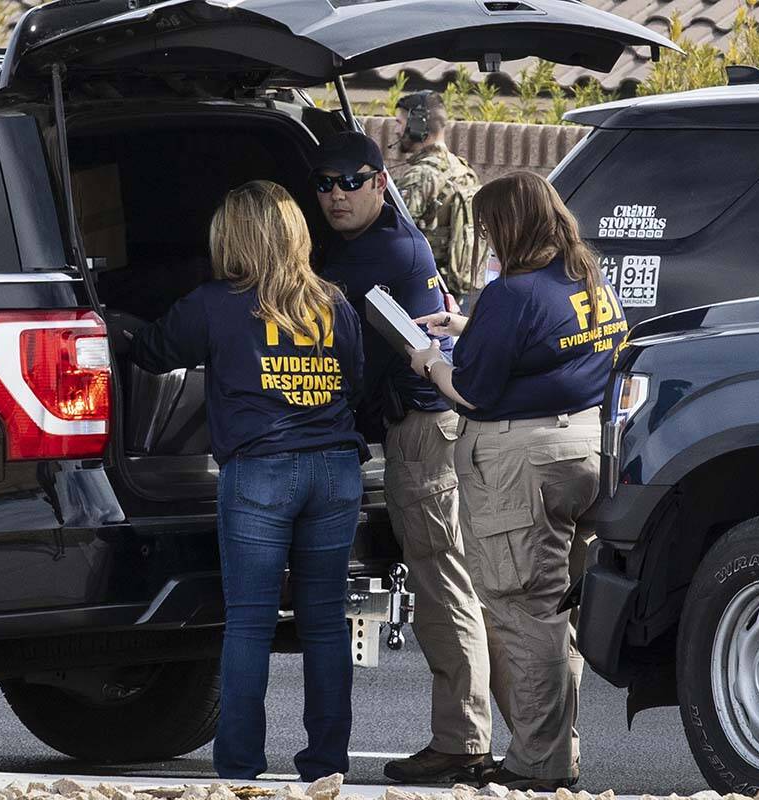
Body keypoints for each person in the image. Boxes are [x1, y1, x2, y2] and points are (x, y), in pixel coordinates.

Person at [128, 180, 366, 781]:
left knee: (251, 622)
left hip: (261, 472)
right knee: (324, 622)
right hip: (336, 471)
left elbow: (154, 351)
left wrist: (116, 322)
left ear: (232, 238)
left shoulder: (214, 302)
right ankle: (326, 765)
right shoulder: (336, 303)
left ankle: (239, 766)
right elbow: (355, 382)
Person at [406, 170, 628, 791]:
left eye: (488, 228)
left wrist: (430, 363)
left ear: (509, 227)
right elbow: (554, 348)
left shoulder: (512, 291)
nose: (485, 240)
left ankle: (537, 763)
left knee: (522, 612)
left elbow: (471, 392)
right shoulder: (587, 274)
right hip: (589, 450)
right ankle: (560, 755)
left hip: (521, 461)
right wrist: (470, 332)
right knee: (559, 612)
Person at [312, 131, 495, 784]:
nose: (336, 194)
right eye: (324, 184)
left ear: (381, 182)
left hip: (423, 431)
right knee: (446, 582)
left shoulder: (386, 250)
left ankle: (463, 742)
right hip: (417, 429)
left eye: (350, 181)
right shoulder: (376, 238)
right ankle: (471, 737)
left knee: (442, 587)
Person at [391, 90, 483, 307]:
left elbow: (393, 237)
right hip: (456, 293)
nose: (396, 130)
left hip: (422, 290)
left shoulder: (421, 176)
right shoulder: (463, 169)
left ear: (417, 126)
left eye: (400, 122)